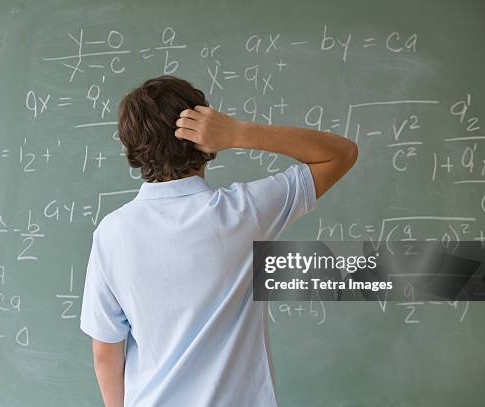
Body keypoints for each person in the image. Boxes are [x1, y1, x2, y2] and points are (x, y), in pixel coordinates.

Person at [80, 75, 358, 406]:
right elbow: (341, 154)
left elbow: (105, 352)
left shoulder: (111, 233)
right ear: (205, 138)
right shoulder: (244, 214)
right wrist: (238, 133)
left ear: (133, 149)